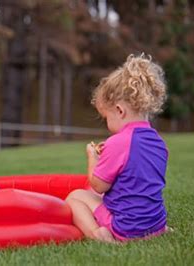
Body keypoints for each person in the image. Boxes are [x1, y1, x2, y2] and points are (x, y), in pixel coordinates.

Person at [65, 54, 169, 243]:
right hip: (156, 224)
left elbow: (98, 186)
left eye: (106, 118)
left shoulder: (118, 142)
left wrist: (92, 158)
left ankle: (98, 233)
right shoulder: (158, 143)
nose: (107, 124)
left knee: (75, 197)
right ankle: (160, 229)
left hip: (128, 228)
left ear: (120, 111)